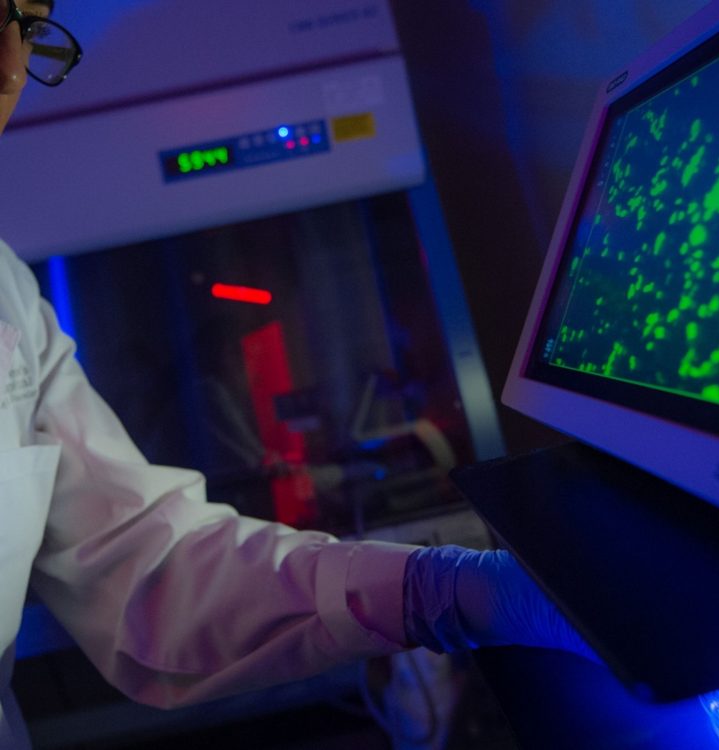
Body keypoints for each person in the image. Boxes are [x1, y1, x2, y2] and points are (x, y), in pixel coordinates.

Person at [0, 3, 590, 747]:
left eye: (20, 27)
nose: (10, 73)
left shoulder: (6, 289)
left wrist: (440, 591)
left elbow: (150, 566)